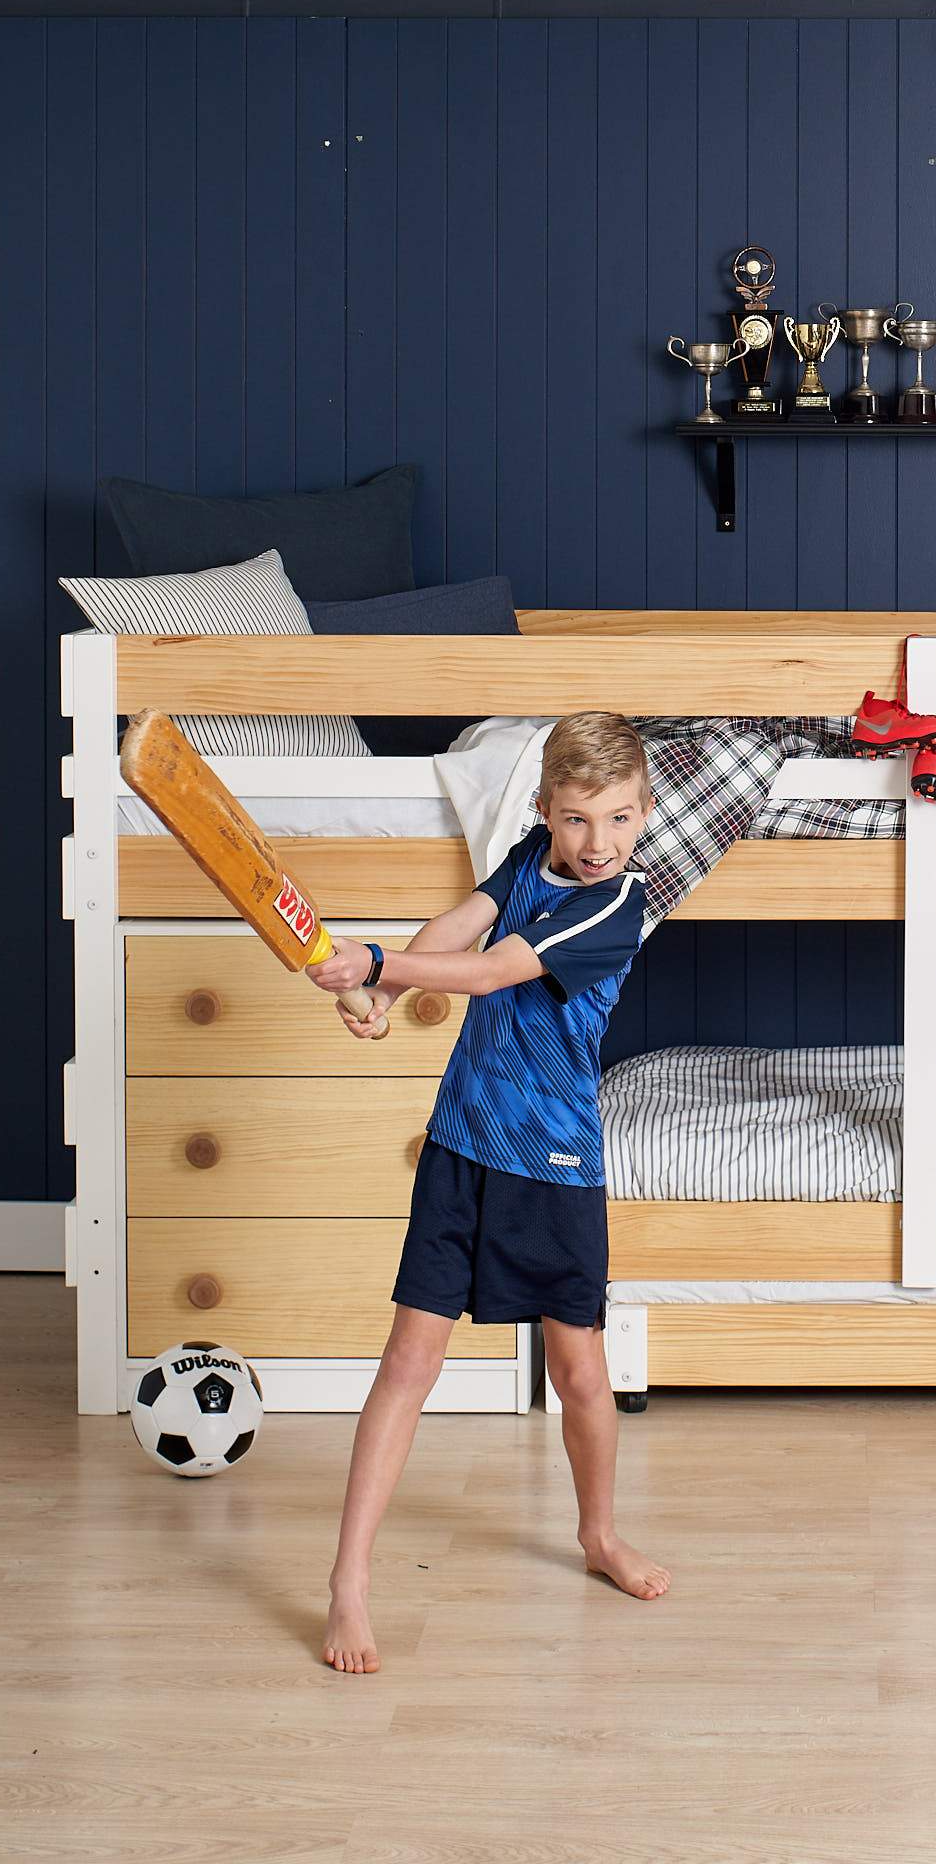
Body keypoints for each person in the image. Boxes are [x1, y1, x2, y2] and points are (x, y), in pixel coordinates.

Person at [307, 711, 670, 1676]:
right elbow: (465, 923)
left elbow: (488, 971)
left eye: (622, 819)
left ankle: (597, 1534)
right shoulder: (528, 859)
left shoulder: (614, 906)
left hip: (551, 1171)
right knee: (407, 1363)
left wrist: (382, 964)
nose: (601, 843)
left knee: (580, 1375)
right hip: (462, 1148)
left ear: (643, 817)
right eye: (581, 819)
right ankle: (348, 1581)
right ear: (547, 811)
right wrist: (383, 993)